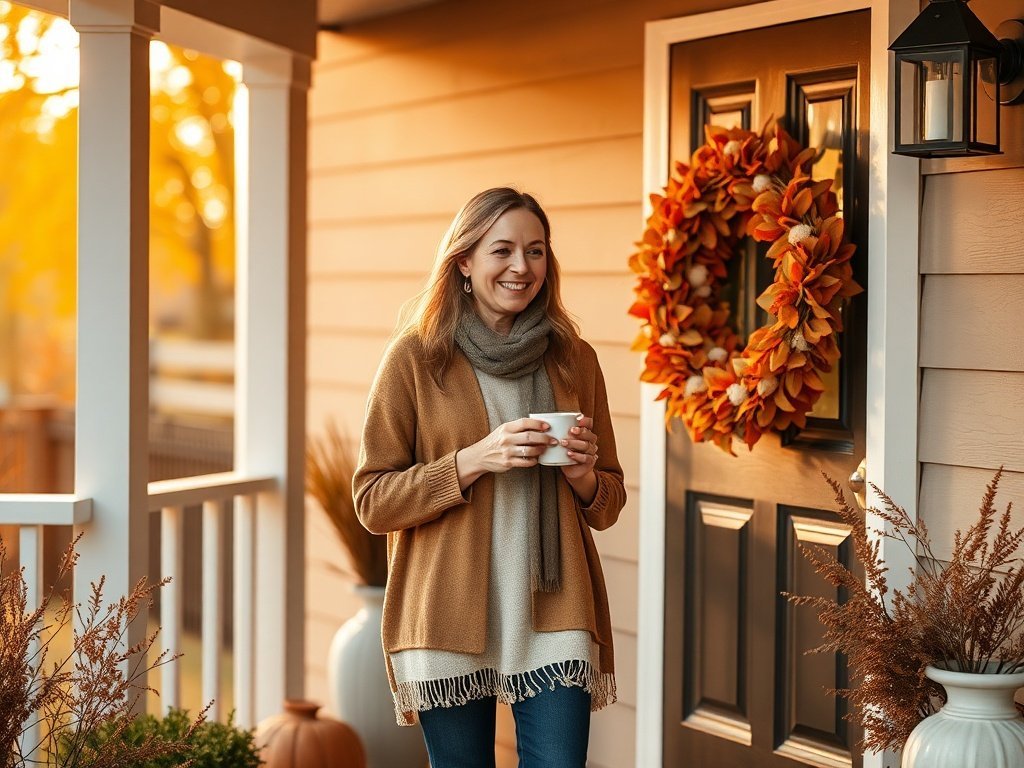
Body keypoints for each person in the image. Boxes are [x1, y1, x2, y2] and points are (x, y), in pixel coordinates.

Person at [353, 187, 626, 768]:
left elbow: (608, 502)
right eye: (501, 250)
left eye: (535, 250)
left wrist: (583, 476)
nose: (521, 267)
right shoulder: (416, 358)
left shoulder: (575, 359)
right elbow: (373, 501)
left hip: (555, 609)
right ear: (464, 262)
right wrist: (473, 460)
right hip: (447, 610)